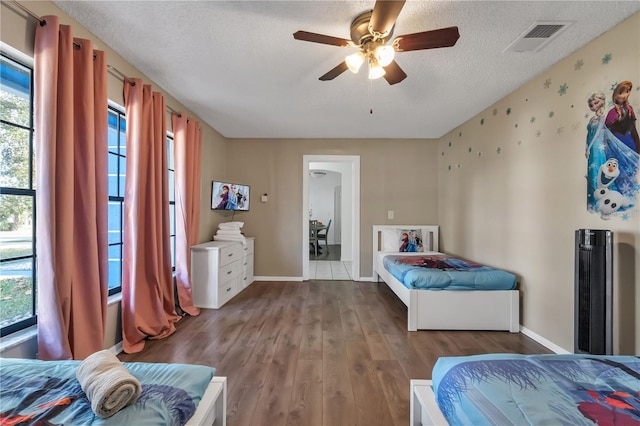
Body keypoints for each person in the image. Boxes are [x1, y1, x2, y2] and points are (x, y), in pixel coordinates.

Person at [584, 91, 608, 212]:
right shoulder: (592, 119)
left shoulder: (602, 117)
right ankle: (593, 201)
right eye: (591, 105)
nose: (594, 107)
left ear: (602, 101)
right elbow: (588, 135)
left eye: (596, 103)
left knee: (597, 170)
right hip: (591, 147)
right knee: (592, 171)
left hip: (597, 147)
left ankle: (601, 201)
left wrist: (589, 147)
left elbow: (597, 133)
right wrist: (586, 147)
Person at [605, 80, 639, 154]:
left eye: (627, 91)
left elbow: (634, 129)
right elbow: (607, 131)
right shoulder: (612, 112)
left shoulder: (630, 109)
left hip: (630, 141)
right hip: (618, 142)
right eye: (620, 93)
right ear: (615, 95)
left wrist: (637, 145)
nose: (624, 95)